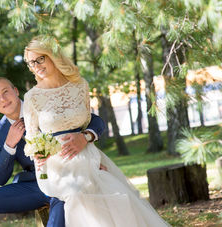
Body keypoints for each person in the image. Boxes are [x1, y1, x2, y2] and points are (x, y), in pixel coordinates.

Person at [23, 36, 170, 227]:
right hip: (57, 165)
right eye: (31, 62)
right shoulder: (32, 97)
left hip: (88, 155)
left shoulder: (80, 85)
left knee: (115, 192)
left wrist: (85, 137)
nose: (36, 66)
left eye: (40, 59)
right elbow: (32, 138)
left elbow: (89, 121)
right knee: (77, 194)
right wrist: (39, 157)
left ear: (52, 55)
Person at [0, 77, 106, 227]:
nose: (3, 99)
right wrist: (9, 145)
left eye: (5, 92)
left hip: (66, 177)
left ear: (15, 91)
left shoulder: (44, 105)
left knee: (61, 202)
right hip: (34, 186)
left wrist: (85, 137)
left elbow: (94, 120)